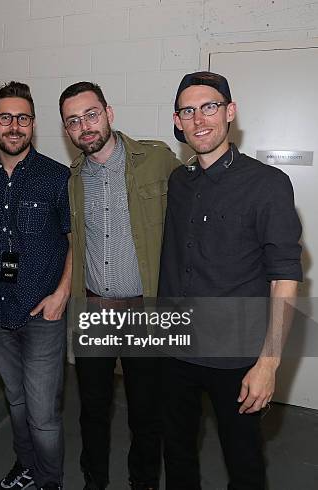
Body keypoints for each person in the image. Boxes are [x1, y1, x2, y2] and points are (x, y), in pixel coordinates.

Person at [158, 71, 302, 489]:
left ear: (230, 112)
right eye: (188, 110)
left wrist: (269, 364)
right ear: (177, 120)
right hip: (175, 350)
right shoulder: (177, 182)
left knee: (244, 465)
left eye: (209, 107)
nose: (199, 119)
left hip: (237, 358)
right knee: (179, 456)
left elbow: (284, 278)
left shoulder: (268, 185)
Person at [59, 81, 181, 490]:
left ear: (109, 114)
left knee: (146, 411)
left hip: (145, 311)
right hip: (94, 309)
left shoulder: (157, 159)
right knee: (92, 408)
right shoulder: (73, 179)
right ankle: (95, 481)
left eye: (91, 115)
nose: (84, 126)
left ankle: (142, 482)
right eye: (73, 121)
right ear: (67, 130)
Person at [0, 82, 72, 490]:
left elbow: (76, 241)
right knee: (15, 401)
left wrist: (62, 294)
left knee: (42, 412)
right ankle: (27, 467)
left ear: (33, 124)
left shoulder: (57, 177)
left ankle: (49, 481)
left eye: (21, 118)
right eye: (5, 117)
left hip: (43, 314)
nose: (13, 126)